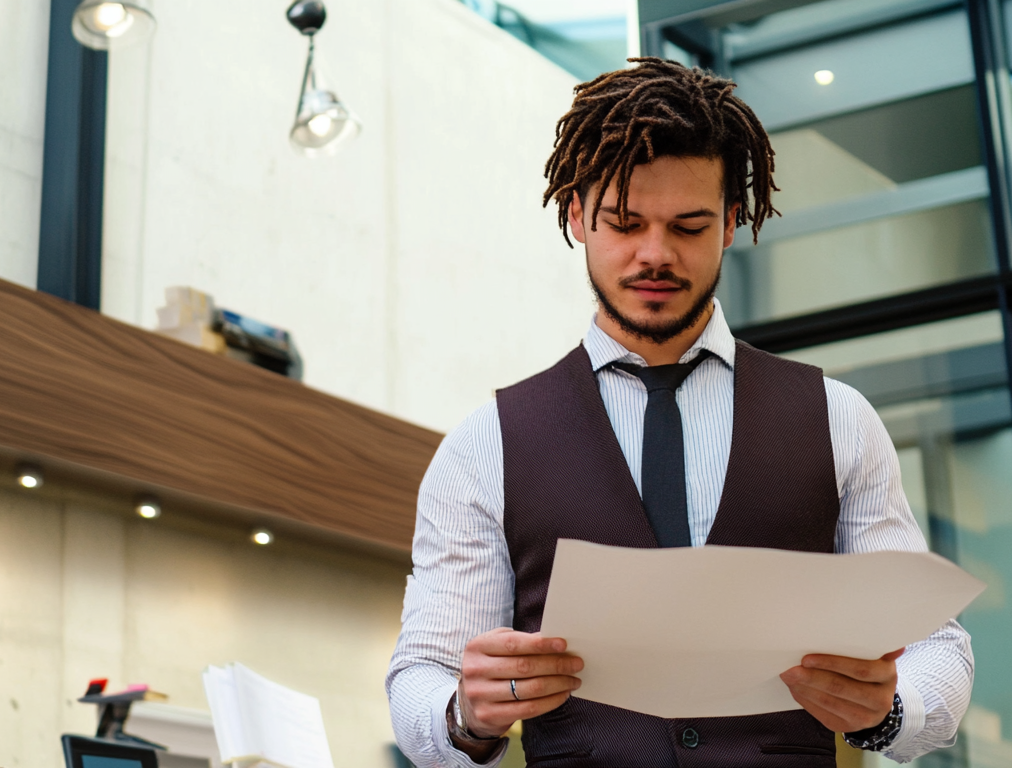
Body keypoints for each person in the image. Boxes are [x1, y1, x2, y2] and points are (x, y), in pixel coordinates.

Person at [385, 59, 974, 767]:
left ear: (731, 224)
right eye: (624, 223)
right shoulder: (487, 446)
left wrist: (887, 712)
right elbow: (420, 674)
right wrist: (465, 714)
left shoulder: (836, 419)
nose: (654, 255)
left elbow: (937, 643)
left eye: (689, 226)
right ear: (575, 215)